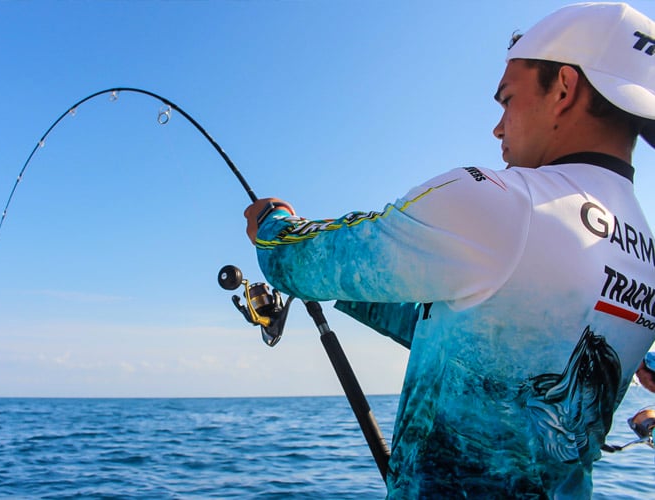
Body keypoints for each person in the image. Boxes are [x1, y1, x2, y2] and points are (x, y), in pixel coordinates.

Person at [243, 3, 655, 498]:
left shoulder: (501, 202)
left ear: (564, 88)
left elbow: (295, 261)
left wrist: (272, 222)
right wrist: (354, 294)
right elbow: (488, 345)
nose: (498, 128)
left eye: (507, 99)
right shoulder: (644, 253)